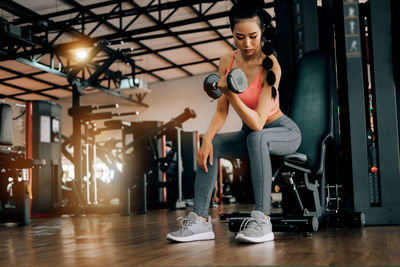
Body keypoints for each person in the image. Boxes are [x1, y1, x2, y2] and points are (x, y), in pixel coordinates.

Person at [166, 0, 301, 244]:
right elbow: (221, 111)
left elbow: (258, 123)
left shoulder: (271, 66)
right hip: (251, 136)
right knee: (214, 144)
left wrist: (230, 92)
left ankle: (263, 220)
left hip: (282, 131)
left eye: (253, 36)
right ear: (232, 33)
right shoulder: (226, 61)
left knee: (257, 136)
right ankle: (201, 221)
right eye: (240, 37)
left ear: (262, 33)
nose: (247, 43)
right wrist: (206, 140)